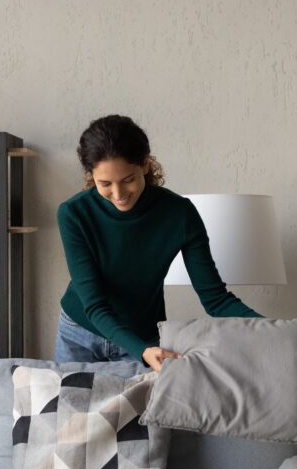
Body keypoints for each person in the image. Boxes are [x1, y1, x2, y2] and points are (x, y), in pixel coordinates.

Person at [55, 114, 262, 371]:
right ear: (91, 176)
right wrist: (142, 351)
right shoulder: (74, 214)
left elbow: (215, 299)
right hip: (79, 333)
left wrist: (273, 329)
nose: (118, 195)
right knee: (69, 412)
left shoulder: (179, 213)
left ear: (144, 164)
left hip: (144, 338)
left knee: (141, 413)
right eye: (105, 184)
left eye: (128, 179)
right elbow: (95, 306)